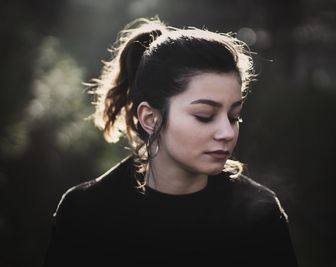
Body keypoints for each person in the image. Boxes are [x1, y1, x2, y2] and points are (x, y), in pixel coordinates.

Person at [44, 17, 298, 266]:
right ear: (151, 118)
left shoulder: (259, 215)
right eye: (205, 116)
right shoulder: (86, 214)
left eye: (234, 116)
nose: (227, 132)